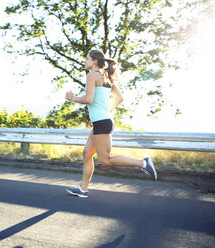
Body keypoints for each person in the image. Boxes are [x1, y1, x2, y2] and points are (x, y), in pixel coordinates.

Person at [65, 50, 157, 198]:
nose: (85, 61)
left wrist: (72, 98)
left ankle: (143, 163)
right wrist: (106, 110)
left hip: (102, 122)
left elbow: (88, 99)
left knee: (106, 160)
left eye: (87, 59)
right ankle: (83, 188)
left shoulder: (92, 76)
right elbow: (119, 98)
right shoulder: (106, 77)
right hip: (102, 121)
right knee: (87, 154)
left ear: (95, 61)